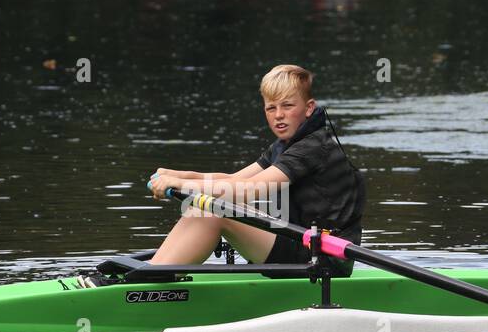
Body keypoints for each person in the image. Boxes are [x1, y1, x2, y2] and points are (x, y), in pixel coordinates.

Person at [140, 64, 365, 274]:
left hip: (324, 258)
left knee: (215, 210)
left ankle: (148, 284)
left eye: (287, 105)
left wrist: (182, 185)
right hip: (299, 242)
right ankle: (152, 273)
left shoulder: (313, 148)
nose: (278, 115)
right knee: (204, 205)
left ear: (308, 108)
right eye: (271, 107)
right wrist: (181, 176)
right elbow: (233, 179)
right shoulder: (285, 145)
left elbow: (248, 189)